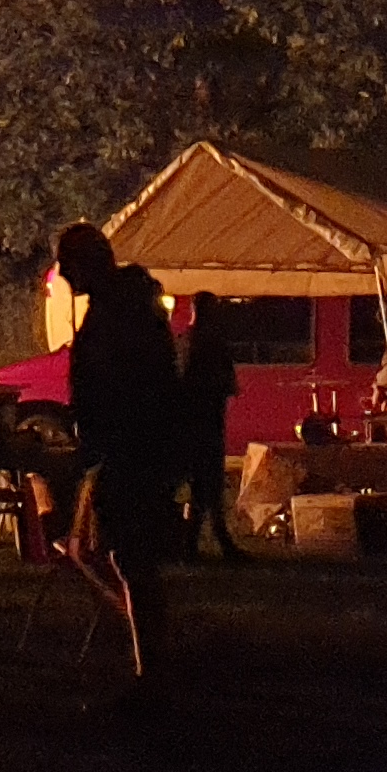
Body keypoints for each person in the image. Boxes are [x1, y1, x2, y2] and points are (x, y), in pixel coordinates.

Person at [59, 222, 180, 706]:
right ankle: (151, 657)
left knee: (130, 556)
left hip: (131, 447)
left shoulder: (118, 312)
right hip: (132, 446)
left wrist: (101, 430)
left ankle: (153, 668)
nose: (64, 275)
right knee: (122, 555)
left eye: (67, 264)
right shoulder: (123, 305)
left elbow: (122, 383)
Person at [178, 291, 247, 561]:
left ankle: (194, 542)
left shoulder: (183, 341)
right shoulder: (213, 343)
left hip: (188, 421)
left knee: (200, 484)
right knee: (210, 483)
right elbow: (226, 383)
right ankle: (212, 540)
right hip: (208, 421)